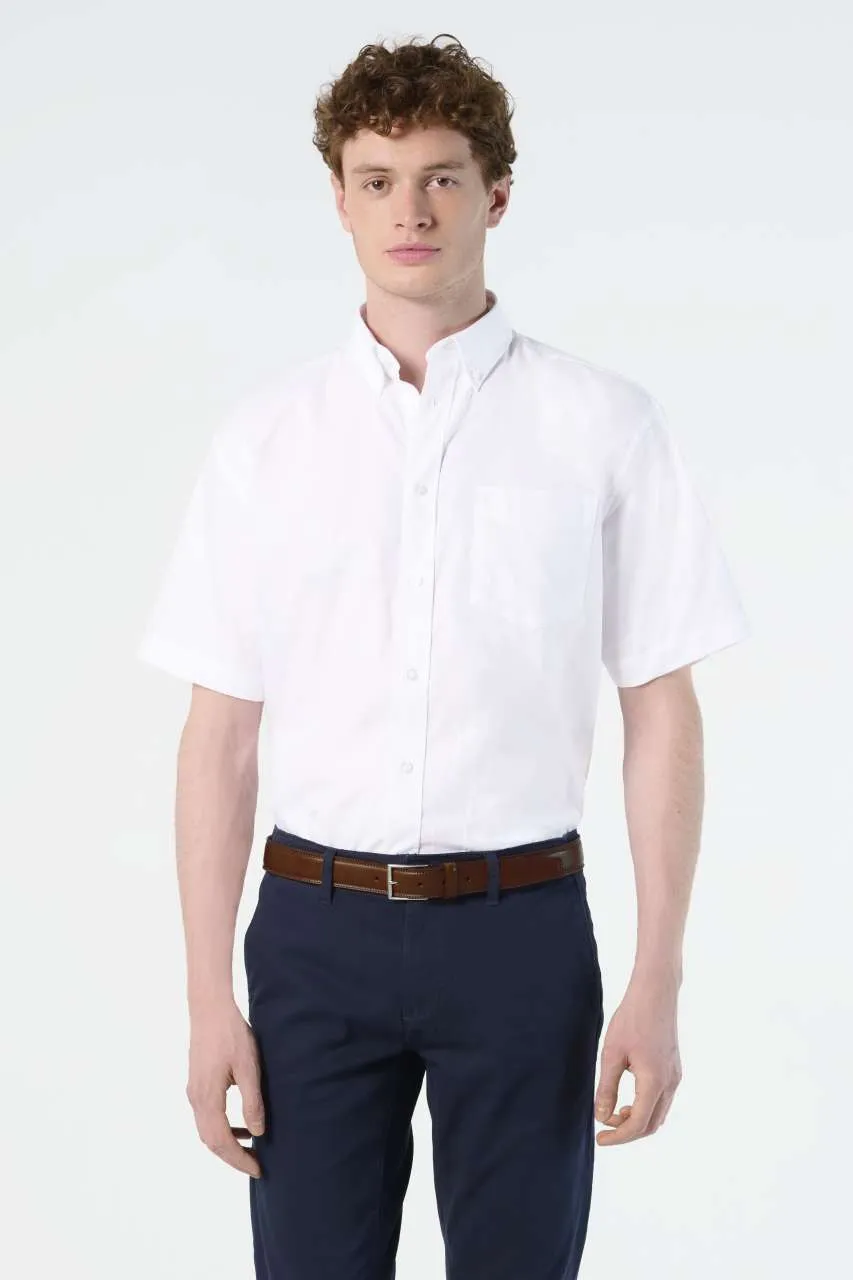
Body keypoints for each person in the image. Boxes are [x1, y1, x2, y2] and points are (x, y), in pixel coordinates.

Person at [136, 31, 750, 1280]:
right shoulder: (265, 442)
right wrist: (207, 999)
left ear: (496, 194)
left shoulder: (604, 427)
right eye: (377, 179)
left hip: (522, 934)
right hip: (311, 937)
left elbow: (661, 712)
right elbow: (220, 737)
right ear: (339, 199)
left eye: (440, 178)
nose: (409, 210)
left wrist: (657, 976)